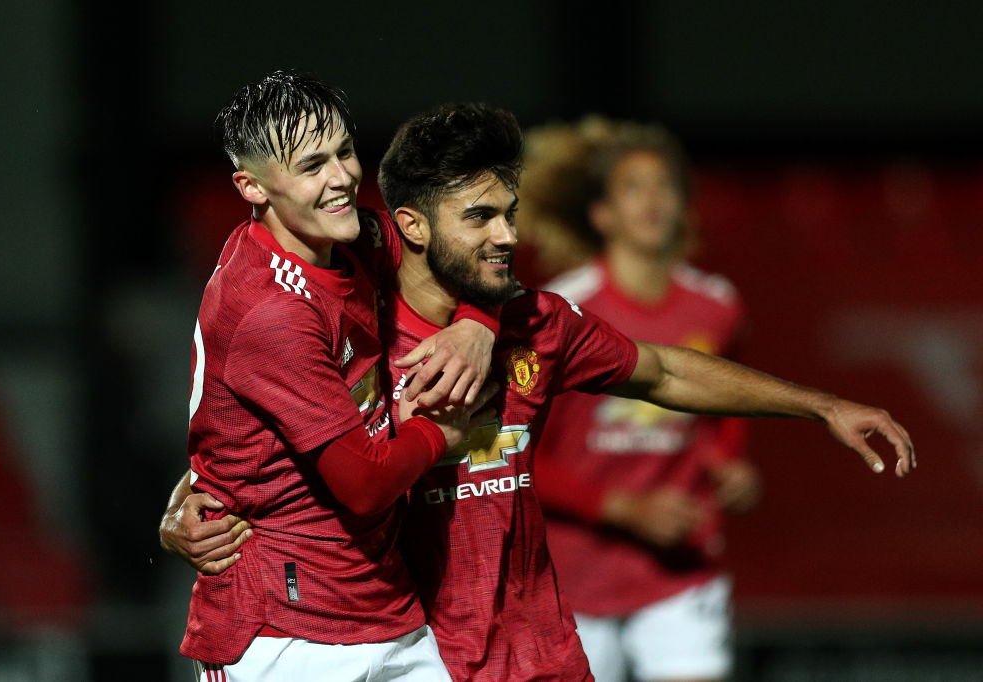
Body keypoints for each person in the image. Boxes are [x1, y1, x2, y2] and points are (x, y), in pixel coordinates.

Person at [163, 102, 916, 681]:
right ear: (412, 229)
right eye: (481, 217)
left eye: (510, 215)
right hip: (418, 644)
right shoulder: (354, 327)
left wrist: (822, 405)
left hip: (539, 650)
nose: (505, 237)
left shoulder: (536, 322)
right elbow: (268, 436)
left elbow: (665, 370)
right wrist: (185, 505)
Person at [177, 71, 502, 681]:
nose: (341, 178)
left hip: (382, 607)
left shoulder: (348, 238)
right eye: (311, 166)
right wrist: (442, 437)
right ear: (251, 187)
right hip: (285, 634)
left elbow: (476, 241)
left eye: (344, 152)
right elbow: (363, 484)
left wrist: (478, 323)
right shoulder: (270, 311)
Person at [528, 120, 757, 682]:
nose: (654, 200)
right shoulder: (562, 313)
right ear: (602, 214)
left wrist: (730, 462)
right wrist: (624, 508)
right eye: (634, 187)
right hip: (573, 576)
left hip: (680, 570)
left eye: (665, 186)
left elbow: (728, 407)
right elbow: (519, 454)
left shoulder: (717, 307)